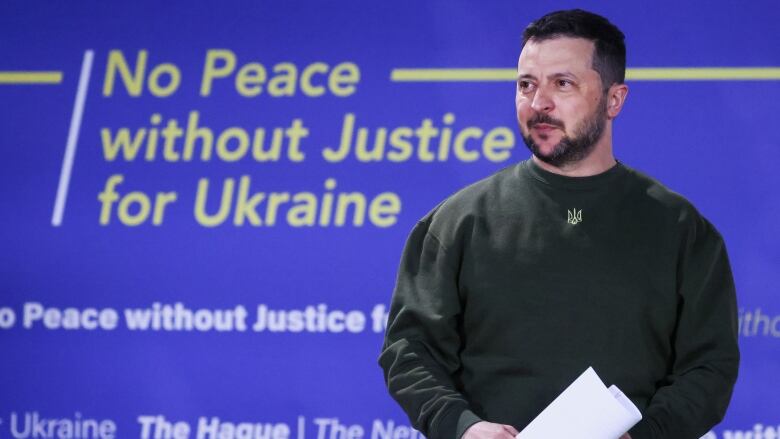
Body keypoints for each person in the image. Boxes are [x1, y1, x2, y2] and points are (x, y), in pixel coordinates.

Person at [378, 9, 739, 439]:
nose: (538, 104)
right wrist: (463, 428)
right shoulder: (457, 221)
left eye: (562, 84)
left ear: (614, 99)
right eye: (526, 85)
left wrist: (648, 435)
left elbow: (709, 367)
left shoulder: (681, 230)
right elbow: (410, 352)